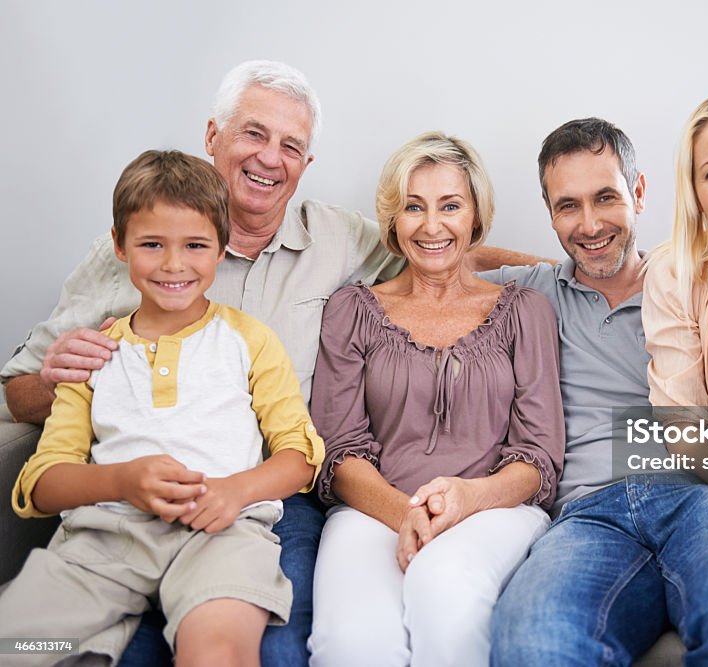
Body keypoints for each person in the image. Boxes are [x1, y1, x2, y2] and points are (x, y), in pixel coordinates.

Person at [0, 60, 538, 665]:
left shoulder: (339, 242)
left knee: (279, 648)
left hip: (271, 500)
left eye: (291, 146)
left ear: (306, 165)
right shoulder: (127, 248)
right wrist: (70, 377)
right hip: (122, 513)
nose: (269, 158)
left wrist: (570, 270)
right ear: (213, 137)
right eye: (253, 133)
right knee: (46, 645)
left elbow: (440, 249)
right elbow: (20, 394)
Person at [489, 117, 708, 666]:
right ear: (549, 213)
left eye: (606, 197)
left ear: (639, 192)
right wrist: (542, 265)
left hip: (703, 494)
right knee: (533, 640)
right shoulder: (533, 293)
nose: (590, 223)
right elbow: (450, 266)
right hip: (588, 513)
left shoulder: (690, 281)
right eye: (568, 206)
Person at [0, 149, 324, 666]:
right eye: (152, 244)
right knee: (20, 648)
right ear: (119, 246)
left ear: (221, 248)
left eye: (195, 245)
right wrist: (123, 481)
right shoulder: (97, 351)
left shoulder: (249, 341)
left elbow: (300, 454)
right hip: (104, 541)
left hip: (221, 533)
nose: (174, 264)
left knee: (216, 652)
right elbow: (43, 482)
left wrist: (233, 491)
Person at [307, 131, 564, 666]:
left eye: (450, 206)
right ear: (393, 221)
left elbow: (539, 458)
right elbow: (339, 450)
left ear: (475, 216)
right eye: (413, 207)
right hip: (374, 509)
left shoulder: (525, 310)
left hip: (495, 508)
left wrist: (465, 500)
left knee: (445, 593)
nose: (431, 225)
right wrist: (408, 514)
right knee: (352, 642)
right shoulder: (351, 309)